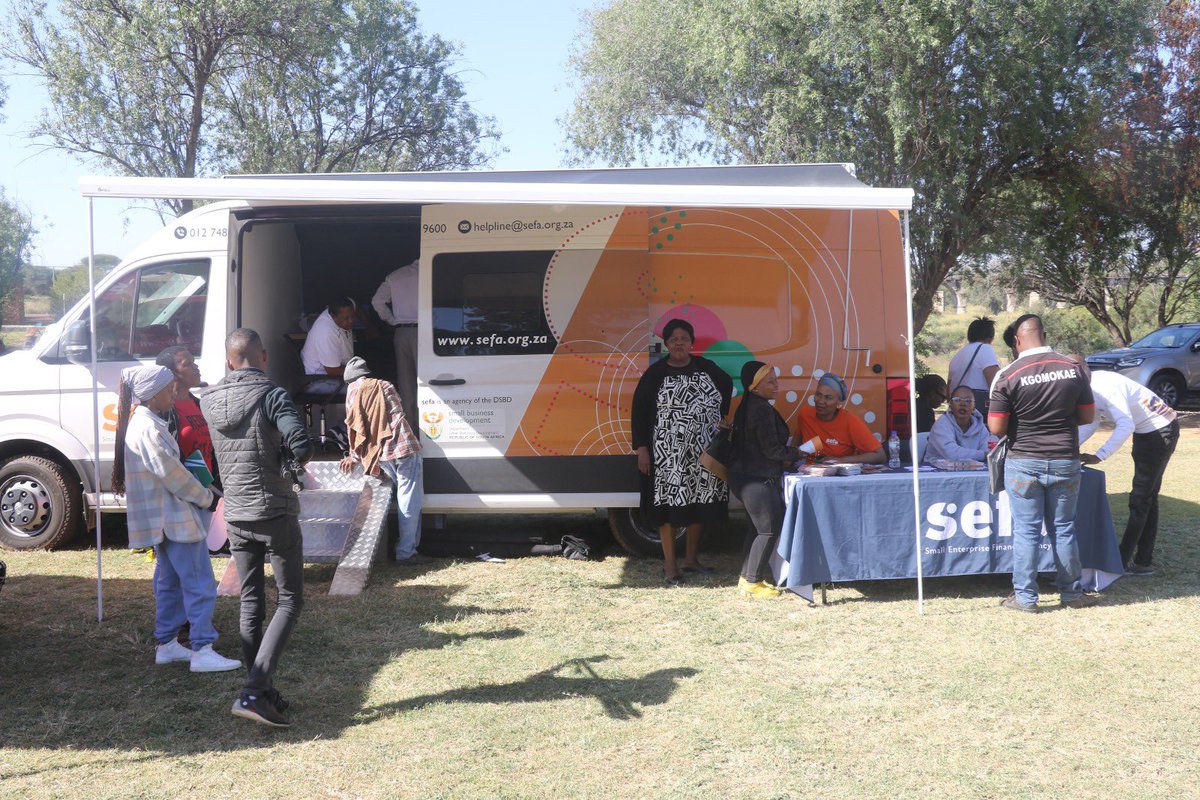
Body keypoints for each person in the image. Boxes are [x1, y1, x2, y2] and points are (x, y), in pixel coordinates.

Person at [201, 328, 313, 727]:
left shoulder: (208, 400)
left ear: (230, 359)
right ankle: (253, 690)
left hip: (237, 515)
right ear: (263, 356)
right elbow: (300, 442)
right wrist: (289, 465)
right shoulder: (272, 394)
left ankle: (260, 693)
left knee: (251, 601)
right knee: (290, 600)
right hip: (275, 510)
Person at [110, 364, 241, 674]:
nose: (174, 393)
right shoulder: (148, 427)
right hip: (176, 518)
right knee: (200, 584)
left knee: (169, 583)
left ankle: (167, 644)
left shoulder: (144, 422)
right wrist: (206, 497)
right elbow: (173, 474)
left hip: (163, 520)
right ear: (153, 394)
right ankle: (202, 649)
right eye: (169, 389)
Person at [988, 314, 1096, 612]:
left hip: (1024, 462)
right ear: (1044, 334)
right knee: (1064, 528)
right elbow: (1087, 416)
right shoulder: (1072, 368)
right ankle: (1072, 594)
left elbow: (996, 428)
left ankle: (1025, 598)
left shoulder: (1008, 374)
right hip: (1065, 459)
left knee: (1026, 531)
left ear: (1017, 340)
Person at [631, 318, 733, 585]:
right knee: (667, 507)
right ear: (666, 343)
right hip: (667, 457)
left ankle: (691, 559)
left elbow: (725, 386)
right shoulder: (655, 375)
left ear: (691, 343)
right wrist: (642, 448)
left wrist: (719, 416)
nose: (679, 343)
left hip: (701, 453)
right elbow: (639, 413)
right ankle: (669, 564)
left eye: (684, 338)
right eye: (674, 339)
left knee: (698, 504)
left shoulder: (706, 368)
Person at [1073, 358, 1179, 576]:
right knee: (1147, 497)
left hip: (1159, 432)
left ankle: (1121, 562)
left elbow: (1126, 424)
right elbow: (1092, 421)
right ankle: (1143, 561)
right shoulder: (1089, 386)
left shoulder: (1104, 387)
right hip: (1148, 433)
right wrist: (1069, 448)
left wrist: (1099, 455)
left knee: (1140, 499)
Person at [338, 356, 427, 565]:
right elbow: (398, 416)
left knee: (403, 498)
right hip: (404, 447)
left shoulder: (351, 393)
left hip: (381, 454)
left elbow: (355, 428)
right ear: (365, 373)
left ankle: (404, 548)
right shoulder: (384, 385)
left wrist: (355, 455)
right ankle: (406, 553)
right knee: (410, 500)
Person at [727, 361, 800, 599]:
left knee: (756, 528)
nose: (776, 385)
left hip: (744, 476)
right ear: (755, 387)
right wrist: (798, 453)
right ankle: (752, 582)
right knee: (769, 529)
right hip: (756, 478)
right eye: (771, 381)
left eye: (776, 379)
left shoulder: (750, 405)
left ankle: (746, 577)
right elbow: (772, 451)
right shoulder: (760, 409)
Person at [794, 372, 885, 464]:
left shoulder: (850, 421)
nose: (821, 401)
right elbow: (796, 441)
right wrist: (789, 460)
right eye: (818, 395)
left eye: (828, 398)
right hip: (809, 475)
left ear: (839, 403)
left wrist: (840, 460)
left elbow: (880, 455)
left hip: (839, 476)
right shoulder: (805, 415)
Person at [371, 259, 419, 427]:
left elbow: (377, 301)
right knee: (428, 381)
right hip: (424, 332)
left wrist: (393, 320)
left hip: (401, 332)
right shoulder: (431, 272)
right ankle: (428, 429)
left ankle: (410, 430)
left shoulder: (395, 275)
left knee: (406, 383)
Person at [301, 297, 356, 437]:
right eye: (346, 318)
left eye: (352, 316)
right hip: (319, 380)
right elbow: (333, 370)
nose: (351, 321)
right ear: (333, 316)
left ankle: (346, 431)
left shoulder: (340, 317)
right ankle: (343, 432)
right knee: (363, 389)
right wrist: (358, 374)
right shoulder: (326, 332)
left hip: (331, 375)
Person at [947, 316, 1000, 414]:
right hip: (977, 410)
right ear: (991, 338)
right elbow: (996, 385)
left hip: (958, 412)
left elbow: (949, 391)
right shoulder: (985, 349)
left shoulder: (957, 356)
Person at [924, 385, 990, 463]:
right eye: (957, 400)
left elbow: (988, 451)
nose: (963, 404)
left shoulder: (981, 427)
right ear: (950, 405)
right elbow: (952, 454)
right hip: (937, 472)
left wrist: (985, 454)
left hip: (971, 471)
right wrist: (982, 455)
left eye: (968, 401)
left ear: (974, 406)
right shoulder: (941, 425)